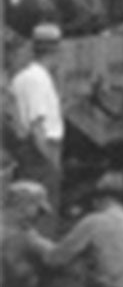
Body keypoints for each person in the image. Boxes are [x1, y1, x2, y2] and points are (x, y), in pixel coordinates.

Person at [7, 25, 65, 206]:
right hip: (39, 153)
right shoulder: (37, 79)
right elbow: (37, 125)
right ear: (56, 50)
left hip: (31, 150)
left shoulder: (25, 77)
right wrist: (51, 162)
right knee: (42, 208)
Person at [0, 179, 57, 287]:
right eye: (39, 211)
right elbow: (58, 256)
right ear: (25, 206)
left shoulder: (22, 230)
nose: (39, 217)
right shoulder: (24, 235)